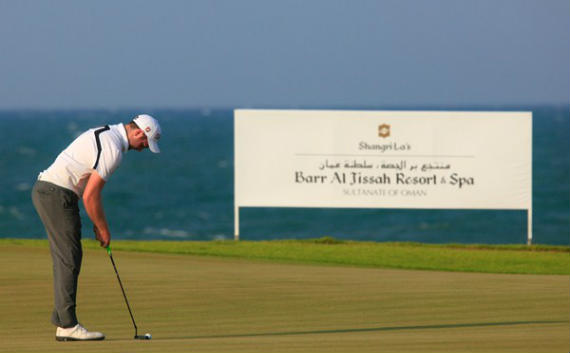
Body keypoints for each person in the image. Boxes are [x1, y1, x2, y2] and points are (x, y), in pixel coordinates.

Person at [31, 114, 161, 341]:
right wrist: (103, 229)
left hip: (51, 192)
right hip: (56, 194)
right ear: (139, 132)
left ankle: (62, 320)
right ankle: (68, 326)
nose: (143, 149)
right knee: (69, 258)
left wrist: (98, 224)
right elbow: (91, 196)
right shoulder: (113, 149)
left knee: (68, 257)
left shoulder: (108, 133)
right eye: (144, 143)